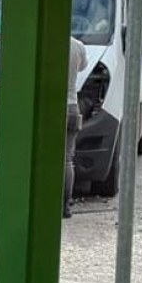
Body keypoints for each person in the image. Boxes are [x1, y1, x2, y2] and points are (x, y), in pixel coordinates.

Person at [64, 36, 87, 218]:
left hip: (48, 108)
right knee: (66, 160)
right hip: (72, 106)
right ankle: (65, 205)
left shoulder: (43, 41)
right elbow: (83, 66)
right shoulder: (78, 46)